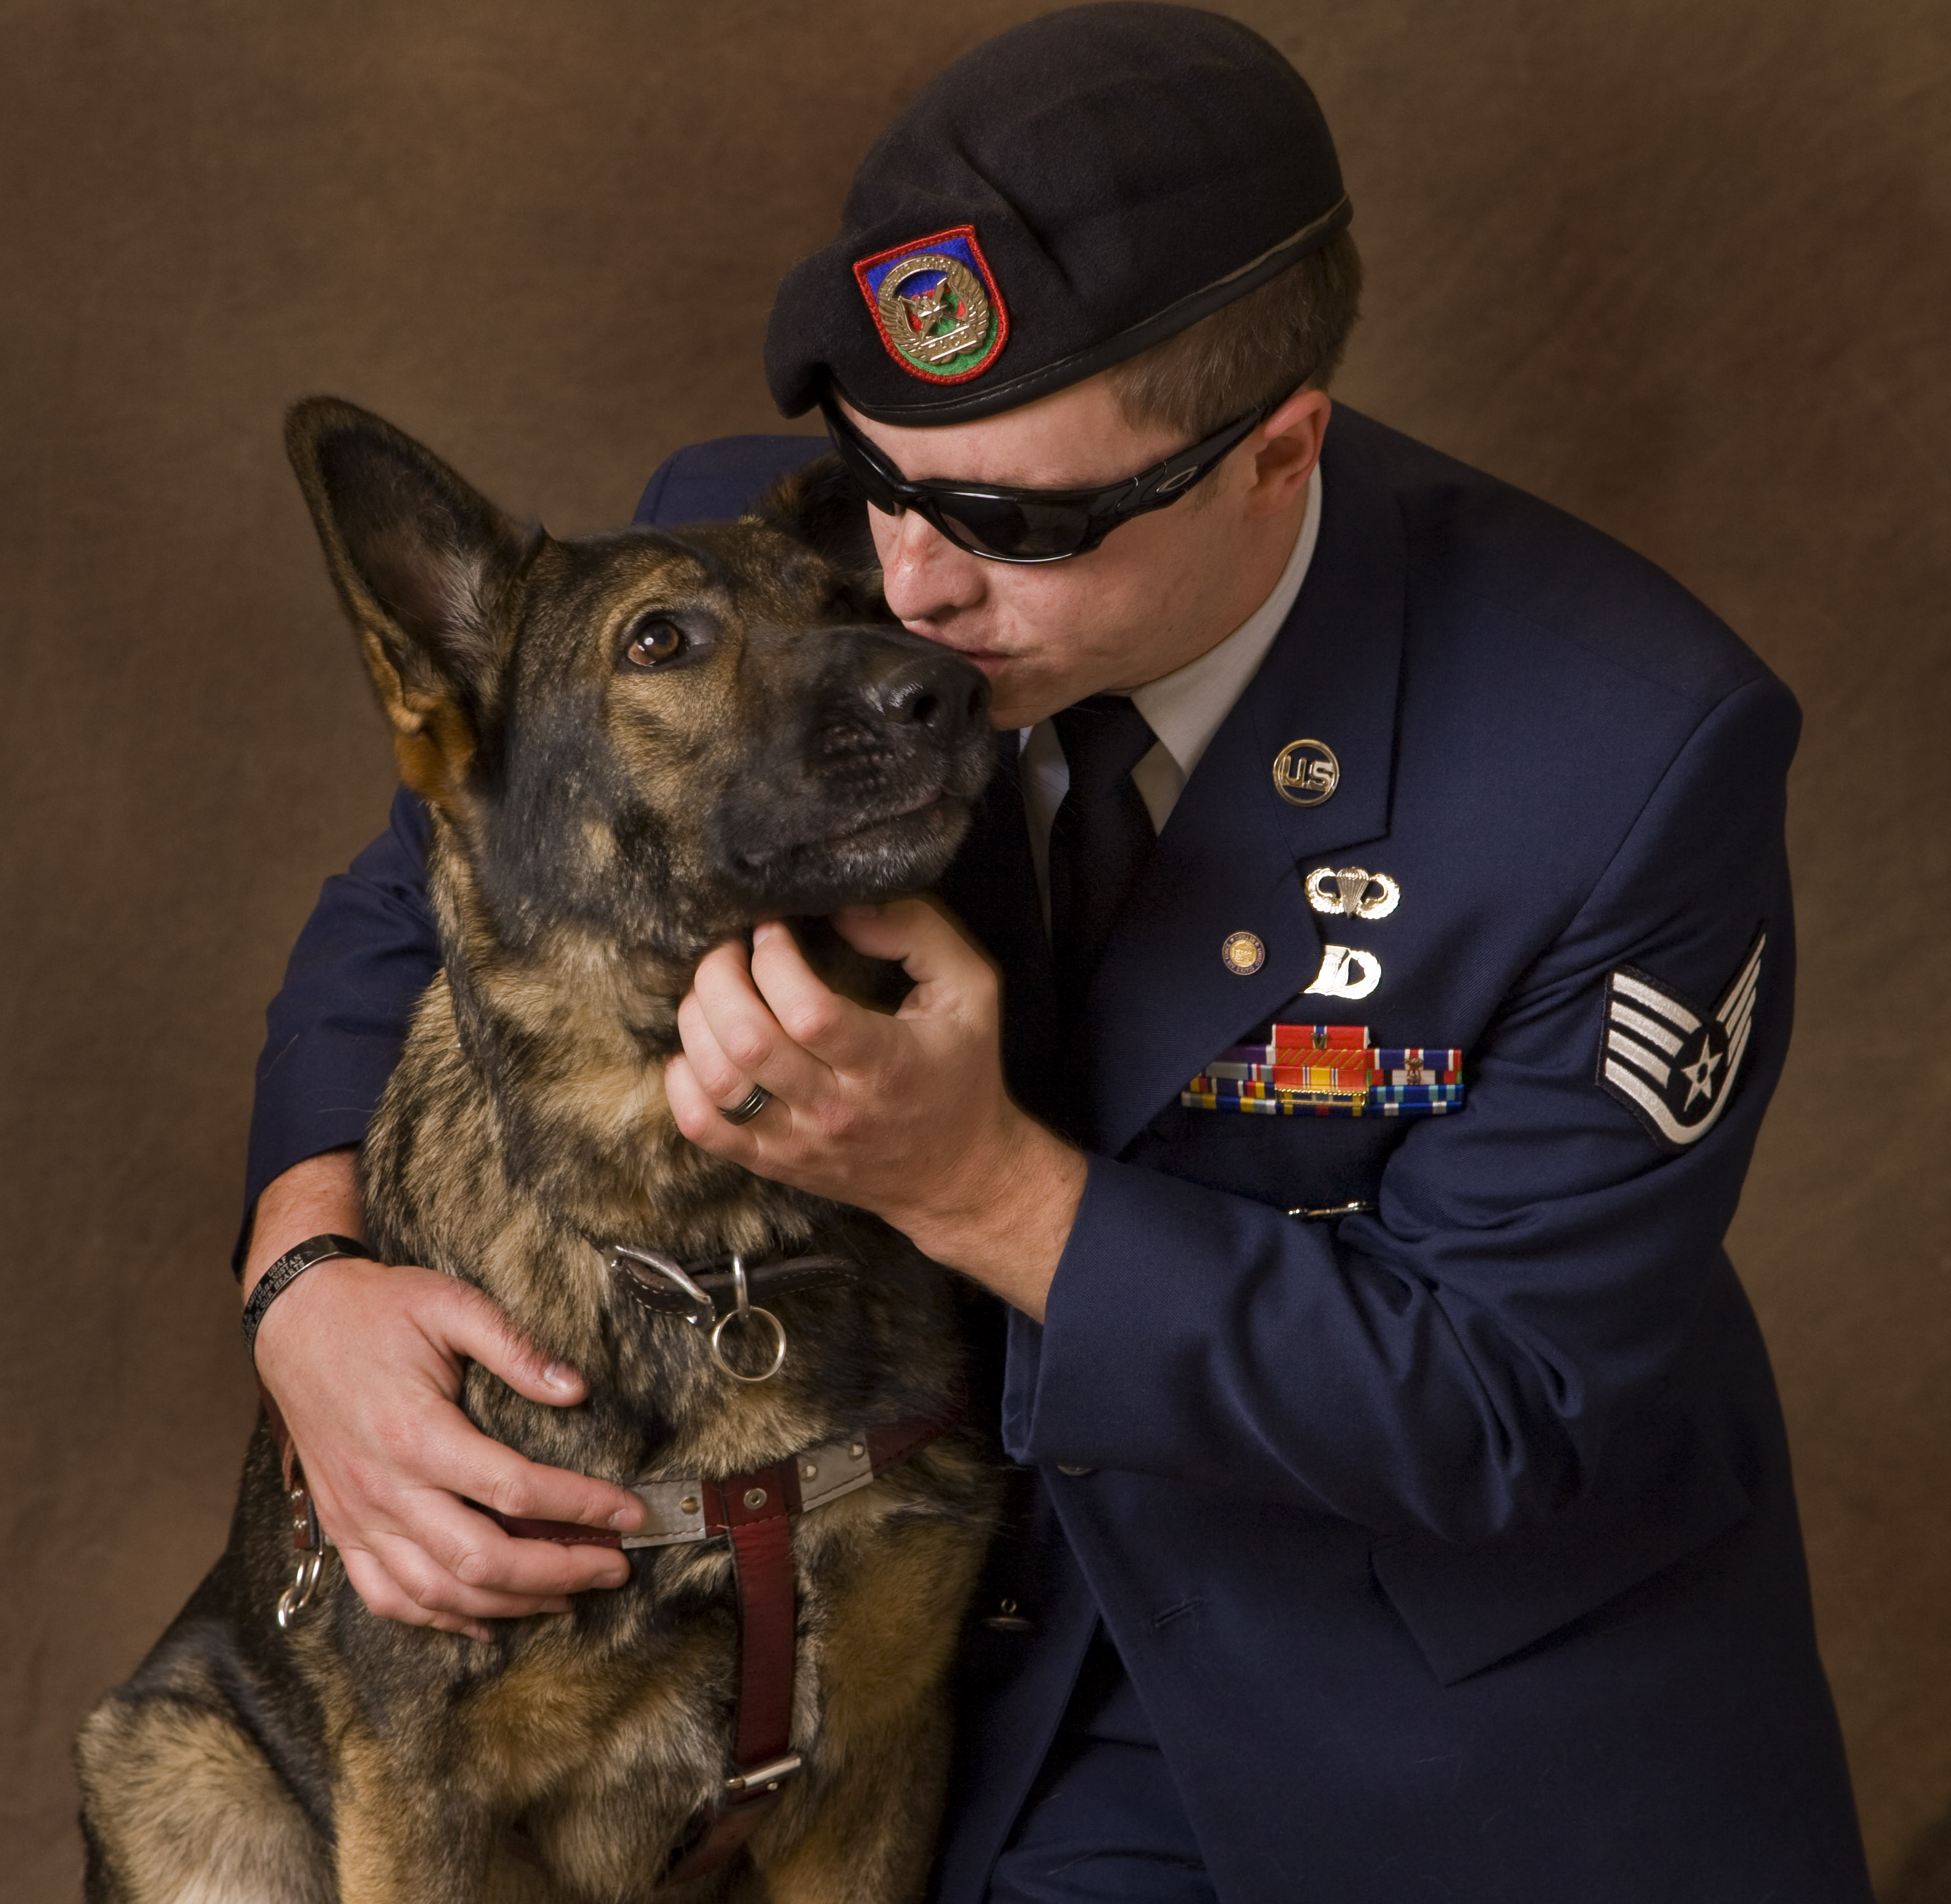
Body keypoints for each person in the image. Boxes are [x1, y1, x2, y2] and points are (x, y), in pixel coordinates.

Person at [236, 7, 1871, 1899]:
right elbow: (429, 895)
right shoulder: (777, 567)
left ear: (1278, 455)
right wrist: (309, 1278)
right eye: (880, 472)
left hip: (1398, 1715)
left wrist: (977, 1188)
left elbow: (1512, 1405)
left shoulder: (1620, 758)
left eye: (1016, 521)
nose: (911, 585)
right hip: (912, 1669)